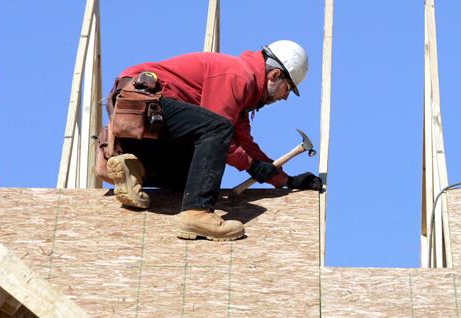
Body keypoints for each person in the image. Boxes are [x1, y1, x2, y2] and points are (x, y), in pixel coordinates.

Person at [103, 40, 322, 242]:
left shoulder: (244, 94)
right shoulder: (238, 76)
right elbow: (221, 135)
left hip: (139, 117)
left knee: (190, 174)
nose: (285, 97)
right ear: (274, 75)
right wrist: (251, 166)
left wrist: (286, 181)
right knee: (217, 129)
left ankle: (135, 168)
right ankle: (197, 212)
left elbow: (244, 143)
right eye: (288, 89)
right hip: (141, 104)